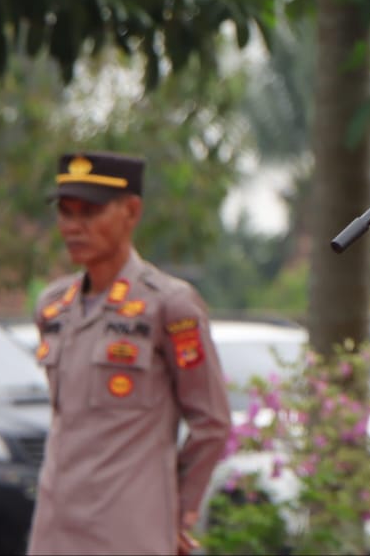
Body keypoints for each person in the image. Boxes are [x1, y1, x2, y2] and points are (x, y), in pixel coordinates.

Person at [27, 151, 231, 556]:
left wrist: (181, 509)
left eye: (90, 212)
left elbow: (211, 422)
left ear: (131, 211)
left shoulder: (169, 305)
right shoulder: (53, 307)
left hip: (130, 529)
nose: (74, 226)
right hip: (55, 528)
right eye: (66, 212)